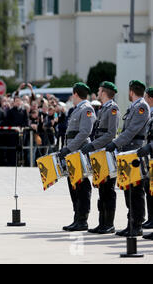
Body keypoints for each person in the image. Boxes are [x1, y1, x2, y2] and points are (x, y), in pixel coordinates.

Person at [106, 80, 150, 237]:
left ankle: (136, 224)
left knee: (135, 191)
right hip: (128, 152)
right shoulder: (135, 106)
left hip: (134, 152)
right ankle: (130, 223)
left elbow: (132, 131)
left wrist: (115, 143)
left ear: (132, 92)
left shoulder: (142, 107)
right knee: (128, 190)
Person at [81, 82, 120, 234]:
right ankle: (101, 222)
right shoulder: (103, 108)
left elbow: (111, 134)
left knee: (108, 189)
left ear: (104, 92)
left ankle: (109, 224)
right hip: (99, 153)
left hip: (107, 154)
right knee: (102, 189)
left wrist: (92, 145)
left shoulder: (113, 108)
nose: (97, 91)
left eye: (99, 90)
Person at [58, 82, 96, 232]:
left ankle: (82, 219)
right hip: (72, 152)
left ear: (75, 94)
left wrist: (69, 148)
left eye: (72, 95)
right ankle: (77, 217)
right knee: (73, 185)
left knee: (81, 186)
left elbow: (84, 133)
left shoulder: (86, 109)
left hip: (78, 152)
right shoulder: (77, 109)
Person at [135, 87, 153, 240]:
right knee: (150, 190)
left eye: (146, 96)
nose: (145, 99)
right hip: (151, 159)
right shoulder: (151, 113)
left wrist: (149, 147)